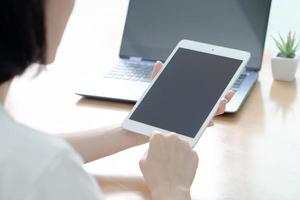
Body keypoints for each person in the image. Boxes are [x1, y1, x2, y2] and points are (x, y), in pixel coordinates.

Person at [0, 0, 235, 200]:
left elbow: (24, 149)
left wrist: (135, 128)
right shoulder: (52, 174)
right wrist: (174, 189)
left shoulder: (27, 153)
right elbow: (39, 160)